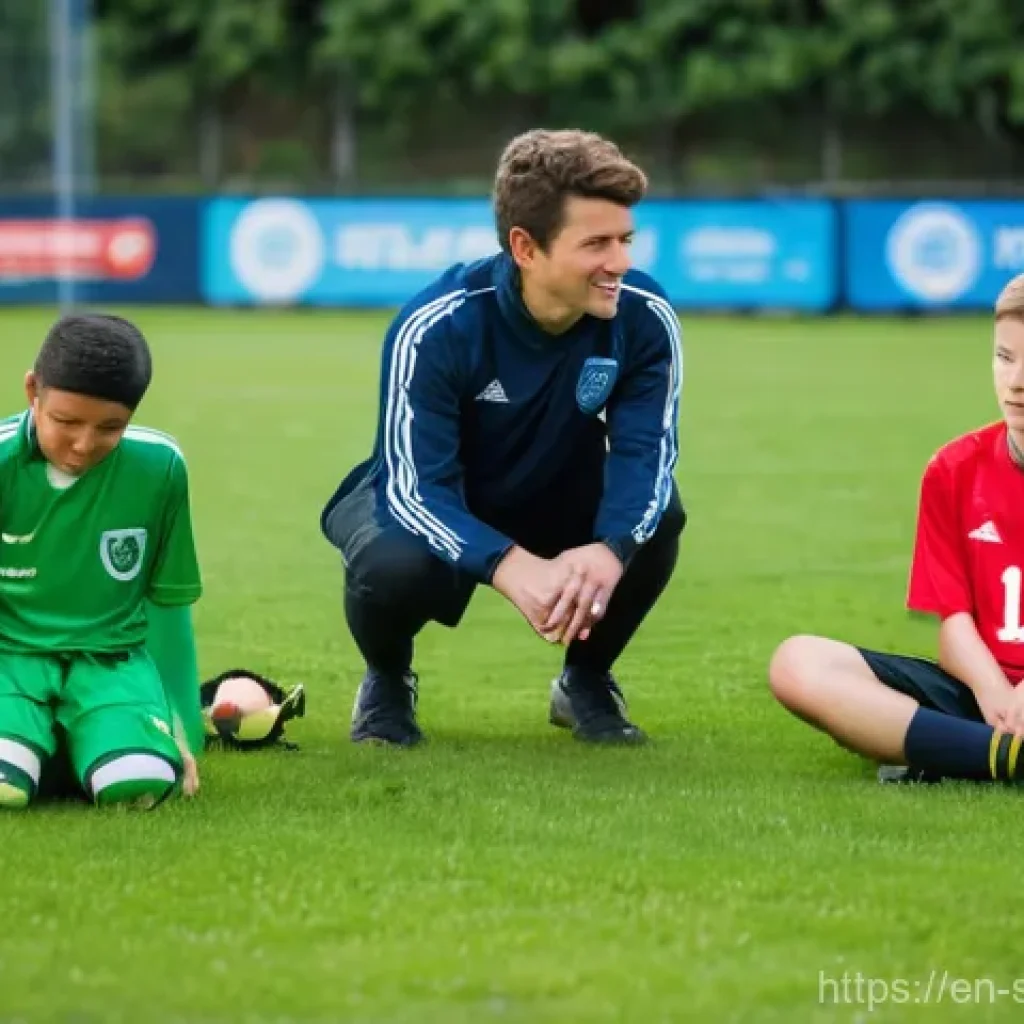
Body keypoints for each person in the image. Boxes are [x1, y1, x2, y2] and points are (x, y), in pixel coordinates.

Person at [321, 128, 685, 748]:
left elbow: (645, 455)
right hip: (433, 493)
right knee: (393, 565)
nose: (620, 262)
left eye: (625, 240)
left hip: (552, 488)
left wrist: (611, 548)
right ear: (525, 247)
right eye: (595, 243)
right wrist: (510, 567)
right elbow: (415, 488)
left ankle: (586, 680)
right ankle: (386, 681)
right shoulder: (438, 325)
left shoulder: (643, 314)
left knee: (657, 516)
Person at [769, 272, 1024, 784]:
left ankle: (951, 754)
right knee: (798, 663)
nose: (1015, 381)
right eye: (1004, 357)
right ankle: (999, 757)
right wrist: (996, 695)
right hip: (981, 692)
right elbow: (954, 627)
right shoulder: (955, 469)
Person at [0, 313, 204, 809]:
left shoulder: (161, 468)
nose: (83, 445)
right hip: (10, 661)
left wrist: (184, 732)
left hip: (111, 664)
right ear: (33, 391)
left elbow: (168, 607)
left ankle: (75, 744)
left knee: (138, 784)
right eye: (65, 422)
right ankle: (42, 742)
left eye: (110, 427)